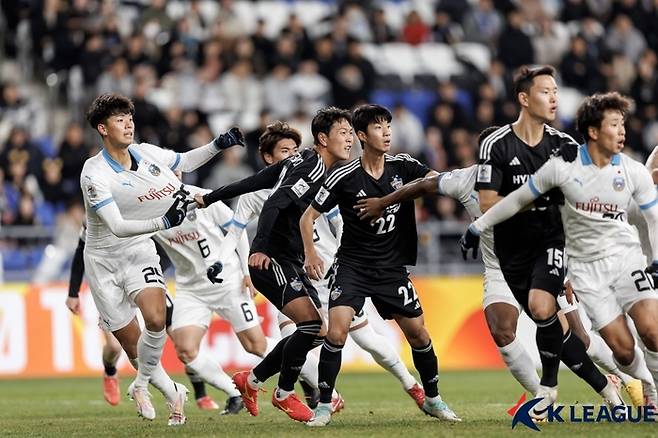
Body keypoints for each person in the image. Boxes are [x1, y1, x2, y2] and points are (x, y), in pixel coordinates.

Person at [355, 126, 647, 406]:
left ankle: (630, 380)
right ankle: (541, 396)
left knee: (578, 338)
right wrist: (383, 202)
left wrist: (567, 266)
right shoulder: (465, 179)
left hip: (542, 260)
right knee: (502, 329)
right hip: (500, 269)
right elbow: (422, 186)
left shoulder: (532, 178)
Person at [208, 121, 425, 411]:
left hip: (331, 272)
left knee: (367, 338)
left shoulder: (321, 177)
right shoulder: (258, 195)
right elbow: (237, 231)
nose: (293, 156)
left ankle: (412, 386)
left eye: (295, 150)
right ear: (269, 159)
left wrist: (349, 260)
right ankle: (320, 396)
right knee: (301, 334)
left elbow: (340, 223)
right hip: (291, 270)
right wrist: (235, 264)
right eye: (285, 152)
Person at [462, 92, 658, 407]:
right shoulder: (557, 171)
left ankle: (646, 391)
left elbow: (650, 212)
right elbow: (515, 201)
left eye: (623, 125)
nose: (623, 131)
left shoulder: (629, 171)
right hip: (563, 268)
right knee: (617, 348)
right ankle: (631, 382)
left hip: (619, 261)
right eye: (614, 125)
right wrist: (478, 227)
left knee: (646, 330)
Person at [80, 92, 243, 425]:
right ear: (102, 128)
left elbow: (183, 162)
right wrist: (164, 222)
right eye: (119, 119)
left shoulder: (146, 152)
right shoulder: (93, 174)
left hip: (139, 251)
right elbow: (117, 226)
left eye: (130, 117)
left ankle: (141, 386)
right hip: (103, 262)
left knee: (156, 319)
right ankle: (173, 392)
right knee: (130, 345)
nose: (128, 124)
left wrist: (217, 145)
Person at [300, 104, 460, 426]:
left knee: (419, 335)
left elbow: (436, 181)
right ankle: (323, 406)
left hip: (392, 269)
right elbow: (308, 217)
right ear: (362, 135)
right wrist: (311, 254)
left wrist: (391, 199)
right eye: (378, 127)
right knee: (337, 332)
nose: (387, 132)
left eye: (388, 126)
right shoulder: (343, 176)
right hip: (353, 266)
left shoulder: (403, 166)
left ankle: (433, 399)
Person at [196, 107, 353, 422]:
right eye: (343, 133)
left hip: (289, 260)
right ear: (323, 139)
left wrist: (211, 197)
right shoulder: (311, 168)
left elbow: (253, 182)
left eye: (351, 133)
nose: (350, 139)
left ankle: (250, 380)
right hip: (272, 259)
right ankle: (283, 393)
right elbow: (273, 203)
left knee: (318, 330)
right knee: (311, 326)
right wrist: (263, 247)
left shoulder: (299, 162)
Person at [152, 182, 284, 415]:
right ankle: (235, 393)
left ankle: (311, 369)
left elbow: (237, 227)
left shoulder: (201, 197)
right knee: (185, 350)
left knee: (256, 345)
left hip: (227, 280)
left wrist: (246, 271)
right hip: (190, 290)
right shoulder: (147, 212)